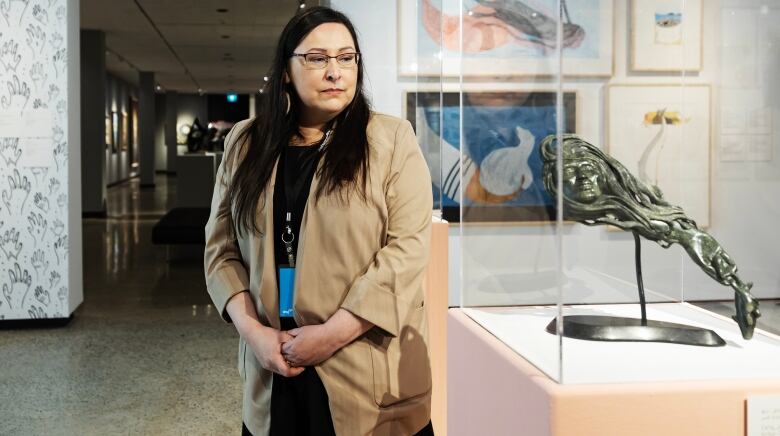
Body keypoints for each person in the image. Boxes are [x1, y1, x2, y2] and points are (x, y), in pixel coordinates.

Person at [204, 6, 435, 436]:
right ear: (287, 70)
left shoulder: (390, 139)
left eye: (346, 58)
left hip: (361, 361)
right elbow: (220, 250)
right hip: (273, 361)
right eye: (318, 58)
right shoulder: (246, 143)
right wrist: (253, 333)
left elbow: (407, 250)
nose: (335, 72)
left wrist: (331, 334)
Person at [539, 134, 761, 340]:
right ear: (553, 182)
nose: (583, 177)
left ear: (604, 174)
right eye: (569, 172)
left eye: (589, 168)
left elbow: (690, 236)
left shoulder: (639, 211)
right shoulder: (626, 212)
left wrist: (737, 286)